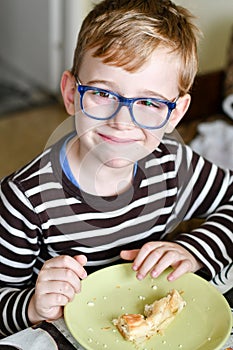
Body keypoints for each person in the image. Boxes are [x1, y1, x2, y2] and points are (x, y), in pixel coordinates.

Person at [0, 0, 232, 338]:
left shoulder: (174, 164)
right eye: (102, 94)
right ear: (71, 94)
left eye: (150, 103)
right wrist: (34, 305)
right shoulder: (23, 201)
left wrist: (194, 249)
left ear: (176, 114)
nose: (122, 121)